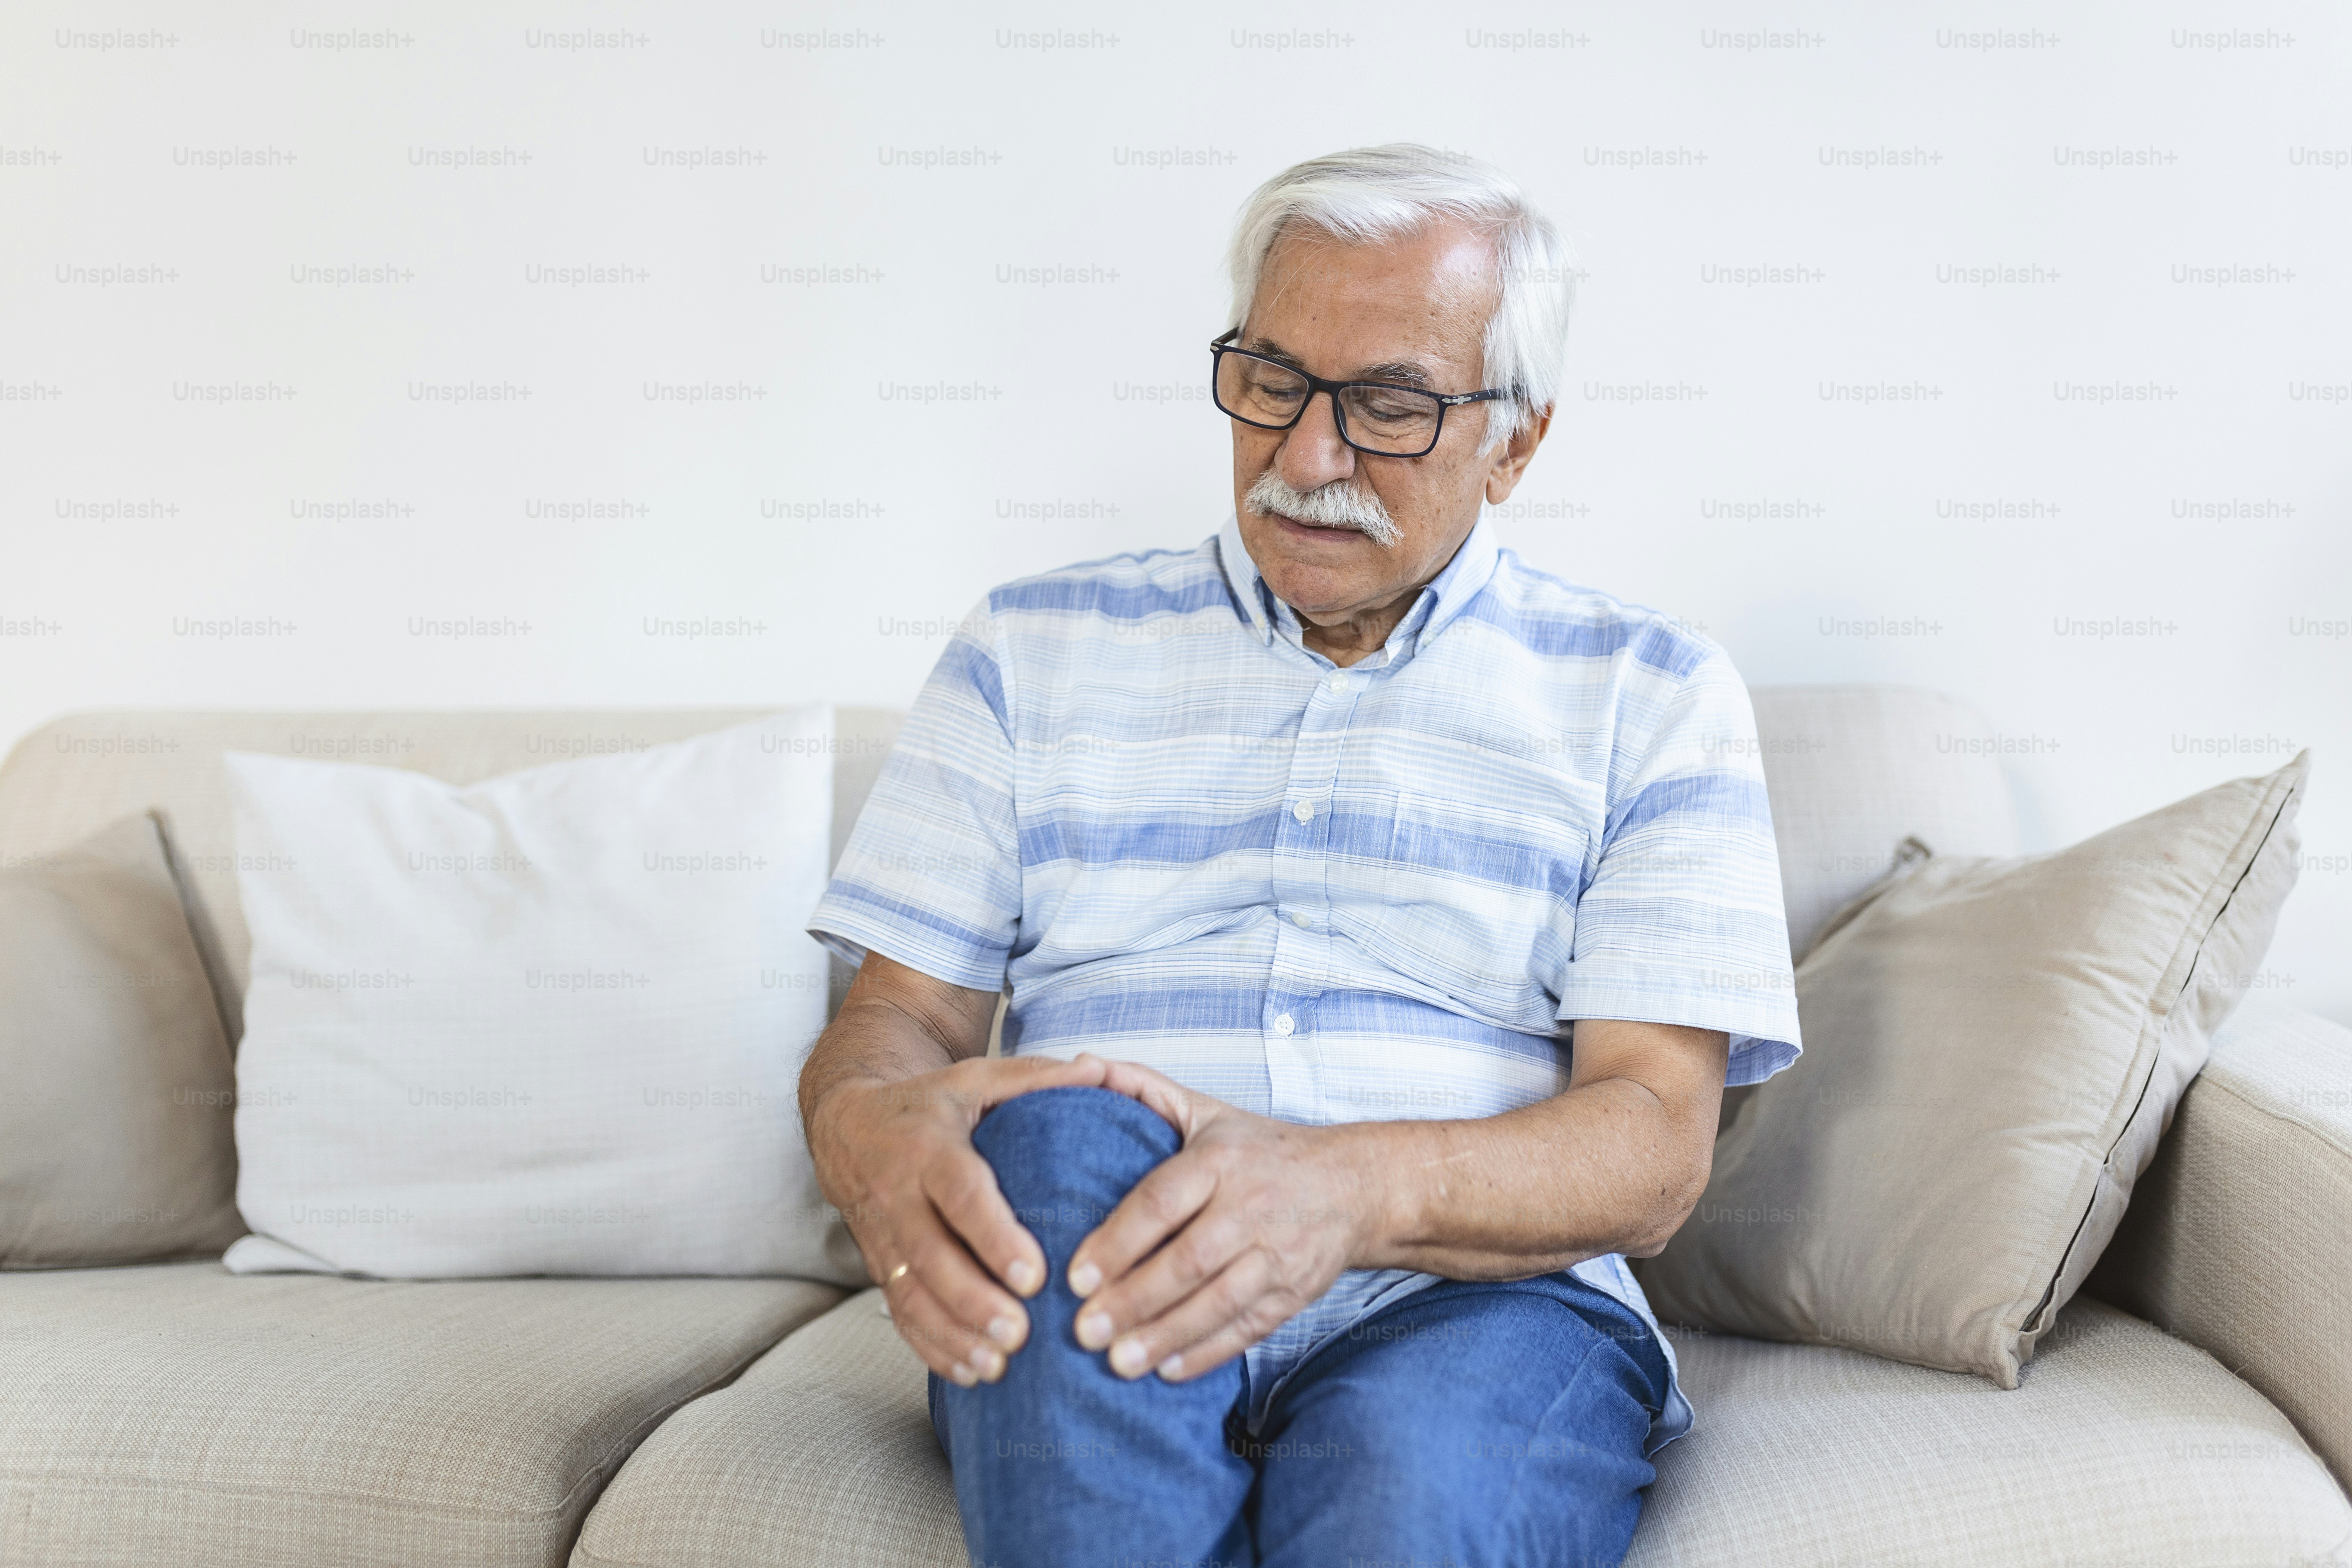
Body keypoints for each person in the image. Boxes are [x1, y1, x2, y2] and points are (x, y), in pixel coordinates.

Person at [800, 143, 1801, 1568]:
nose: (1307, 456)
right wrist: (860, 1130)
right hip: (1098, 1232)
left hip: (1479, 1304)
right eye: (1272, 382)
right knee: (1063, 1128)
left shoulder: (1652, 690)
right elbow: (897, 1019)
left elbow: (1650, 1147)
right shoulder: (1028, 650)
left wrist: (1339, 1189)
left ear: (1516, 439)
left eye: (1389, 406)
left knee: (1408, 1505)